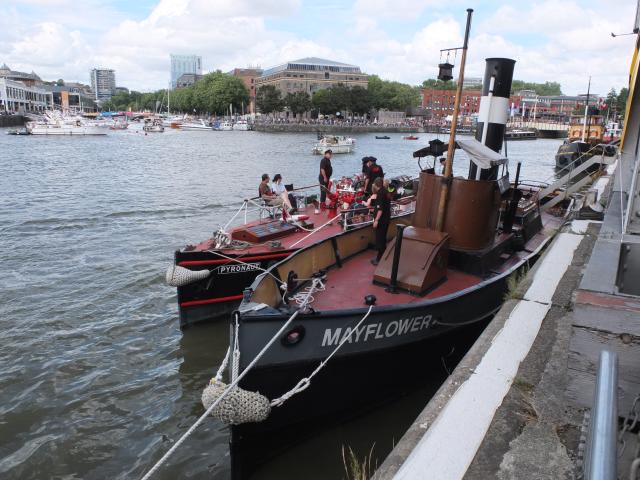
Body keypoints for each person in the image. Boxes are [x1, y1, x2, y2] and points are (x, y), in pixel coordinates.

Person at [371, 177, 391, 265]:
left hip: (382, 220)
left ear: (375, 185)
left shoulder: (380, 194)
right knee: (383, 238)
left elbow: (380, 209)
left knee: (380, 239)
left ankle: (379, 259)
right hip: (386, 219)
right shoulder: (385, 191)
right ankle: (381, 256)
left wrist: (376, 220)